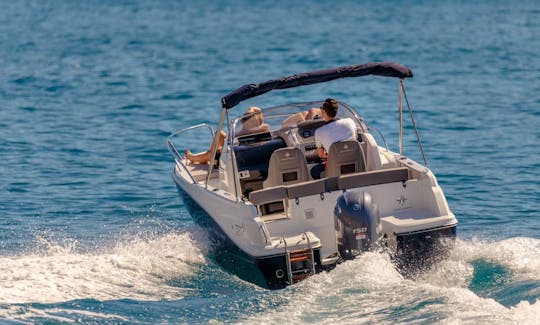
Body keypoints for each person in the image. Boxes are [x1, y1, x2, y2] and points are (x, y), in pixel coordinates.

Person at [311, 98, 357, 178]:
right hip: (354, 162)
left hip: (336, 166)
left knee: (314, 171)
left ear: (324, 111)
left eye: (322, 109)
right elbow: (354, 139)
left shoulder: (319, 131)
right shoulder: (350, 121)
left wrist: (329, 153)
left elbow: (321, 155)